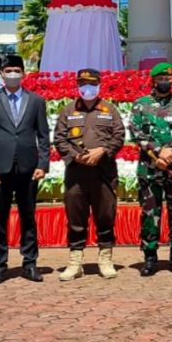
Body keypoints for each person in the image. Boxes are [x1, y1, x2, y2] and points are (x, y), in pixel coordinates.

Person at [0, 54, 49, 285]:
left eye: (16, 70)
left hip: (28, 168)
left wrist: (43, 164)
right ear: (1, 74)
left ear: (23, 73)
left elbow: (43, 136)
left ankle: (30, 263)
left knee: (28, 216)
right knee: (0, 217)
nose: (12, 75)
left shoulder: (36, 100)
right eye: (8, 71)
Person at [53, 68, 125, 281]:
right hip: (77, 174)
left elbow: (119, 136)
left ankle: (105, 258)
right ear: (77, 85)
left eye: (91, 84)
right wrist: (75, 156)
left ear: (98, 85)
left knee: (105, 216)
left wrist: (102, 151)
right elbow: (59, 138)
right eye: (83, 84)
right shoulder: (68, 111)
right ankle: (75, 262)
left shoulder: (110, 109)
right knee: (75, 217)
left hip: (103, 173)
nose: (87, 88)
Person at [130, 62, 172, 276]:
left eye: (168, 79)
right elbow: (137, 133)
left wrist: (170, 154)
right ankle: (150, 258)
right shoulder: (140, 105)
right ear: (153, 80)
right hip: (149, 168)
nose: (165, 82)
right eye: (161, 79)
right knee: (150, 213)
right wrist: (158, 151)